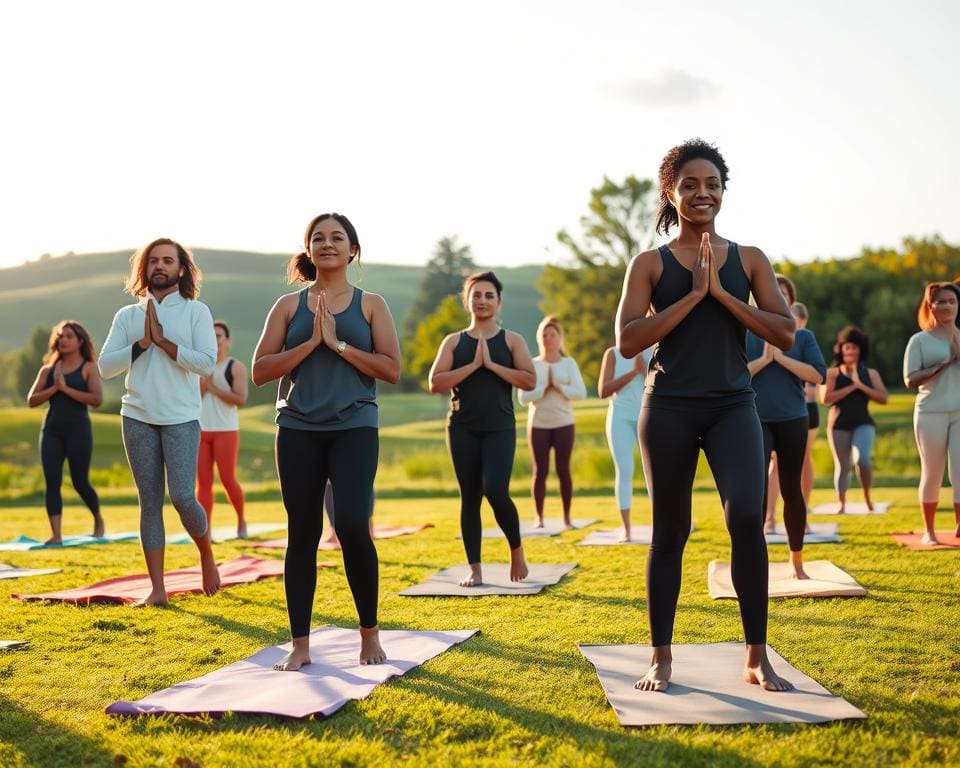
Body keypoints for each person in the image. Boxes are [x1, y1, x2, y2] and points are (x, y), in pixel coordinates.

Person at [616, 138, 796, 693]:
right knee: (670, 529)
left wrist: (721, 292)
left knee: (747, 515)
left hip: (733, 404)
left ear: (723, 192)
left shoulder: (749, 259)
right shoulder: (650, 263)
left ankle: (756, 656)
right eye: (690, 184)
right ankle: (660, 657)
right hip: (667, 405)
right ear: (671, 192)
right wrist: (692, 296)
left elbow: (784, 330)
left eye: (712, 184)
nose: (702, 193)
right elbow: (626, 341)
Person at [252, 213, 400, 670]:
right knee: (303, 533)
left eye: (337, 237)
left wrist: (337, 344)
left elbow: (391, 369)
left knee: (354, 524)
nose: (327, 243)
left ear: (352, 249)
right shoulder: (287, 306)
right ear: (309, 249)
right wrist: (312, 342)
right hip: (297, 428)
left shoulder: (371, 304)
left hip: (354, 425)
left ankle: (369, 635)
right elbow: (260, 371)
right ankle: (300, 645)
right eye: (318, 237)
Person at [99, 238, 220, 606]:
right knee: (149, 502)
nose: (160, 266)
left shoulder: (196, 311)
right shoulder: (128, 316)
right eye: (153, 261)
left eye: (168, 260)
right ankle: (157, 589)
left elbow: (206, 363)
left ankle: (206, 554)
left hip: (182, 417)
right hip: (137, 415)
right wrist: (142, 345)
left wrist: (165, 343)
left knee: (183, 496)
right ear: (144, 268)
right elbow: (105, 367)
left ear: (181, 269)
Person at [429, 271, 536, 587]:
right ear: (468, 301)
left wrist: (492, 365)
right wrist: (473, 366)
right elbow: (435, 383)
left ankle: (516, 549)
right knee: (470, 496)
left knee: (495, 489)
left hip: (499, 427)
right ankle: (474, 568)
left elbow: (529, 380)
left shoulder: (512, 340)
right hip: (462, 426)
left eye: (489, 295)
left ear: (498, 302)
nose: (483, 301)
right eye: (477, 295)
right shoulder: (454, 342)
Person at [746, 276, 826, 579]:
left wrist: (781, 357)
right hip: (755, 418)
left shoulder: (803, 338)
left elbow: (818, 376)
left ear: (790, 302)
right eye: (771, 291)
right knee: (756, 489)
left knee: (793, 490)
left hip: (794, 419)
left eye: (783, 294)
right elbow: (735, 374)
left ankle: (797, 563)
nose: (775, 297)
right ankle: (755, 563)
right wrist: (765, 361)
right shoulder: (745, 332)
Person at [27, 321, 104, 544]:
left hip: (78, 430)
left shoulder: (89, 367)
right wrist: (54, 388)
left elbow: (96, 400)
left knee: (80, 481)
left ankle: (98, 519)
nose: (63, 340)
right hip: (52, 430)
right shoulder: (48, 370)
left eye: (69, 336)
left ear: (80, 341)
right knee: (52, 480)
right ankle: (56, 535)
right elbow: (32, 400)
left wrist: (66, 389)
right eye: (60, 336)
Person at [903, 282, 960, 543]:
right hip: (930, 413)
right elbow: (910, 379)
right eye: (942, 301)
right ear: (931, 306)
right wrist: (943, 364)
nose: (947, 306)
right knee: (932, 470)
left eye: (952, 301)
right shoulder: (919, 340)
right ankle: (930, 531)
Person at [518, 316, 586, 529]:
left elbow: (581, 393)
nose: (548, 339)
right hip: (538, 424)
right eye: (544, 335)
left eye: (552, 335)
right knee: (540, 471)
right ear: (540, 339)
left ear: (560, 339)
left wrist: (559, 387)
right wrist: (542, 389)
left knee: (563, 469)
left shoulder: (569, 364)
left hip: (564, 423)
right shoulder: (533, 364)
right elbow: (522, 398)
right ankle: (539, 517)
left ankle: (567, 518)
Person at [821, 326, 888, 513]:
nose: (850, 351)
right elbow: (825, 398)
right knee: (842, 466)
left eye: (854, 348)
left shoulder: (871, 374)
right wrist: (851, 387)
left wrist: (861, 385)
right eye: (847, 347)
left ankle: (867, 497)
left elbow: (883, 398)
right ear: (841, 349)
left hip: (863, 423)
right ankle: (841, 503)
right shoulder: (833, 373)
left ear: (861, 350)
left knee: (862, 459)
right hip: (838, 425)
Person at [197, 321, 248, 538]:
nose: (215, 339)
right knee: (203, 483)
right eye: (211, 335)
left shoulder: (234, 367)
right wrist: (202, 386)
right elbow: (192, 399)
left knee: (228, 479)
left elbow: (240, 399)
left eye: (218, 336)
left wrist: (212, 387)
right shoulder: (199, 367)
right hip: (200, 431)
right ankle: (205, 529)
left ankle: (241, 521)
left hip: (226, 430)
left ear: (227, 340)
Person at [598, 344, 651, 541]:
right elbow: (603, 390)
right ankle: (626, 529)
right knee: (625, 470)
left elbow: (664, 382)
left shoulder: (652, 349)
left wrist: (644, 369)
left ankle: (661, 526)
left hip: (646, 416)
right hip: (619, 417)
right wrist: (633, 372)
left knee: (652, 472)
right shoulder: (613, 353)